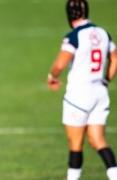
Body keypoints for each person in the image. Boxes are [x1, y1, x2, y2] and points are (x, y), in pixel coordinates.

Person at [47, 0, 117, 179]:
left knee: (75, 144)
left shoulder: (73, 37)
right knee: (97, 140)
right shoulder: (103, 33)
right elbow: (114, 59)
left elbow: (60, 64)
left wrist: (52, 76)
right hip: (100, 92)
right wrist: (106, 81)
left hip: (79, 95)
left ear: (69, 15)